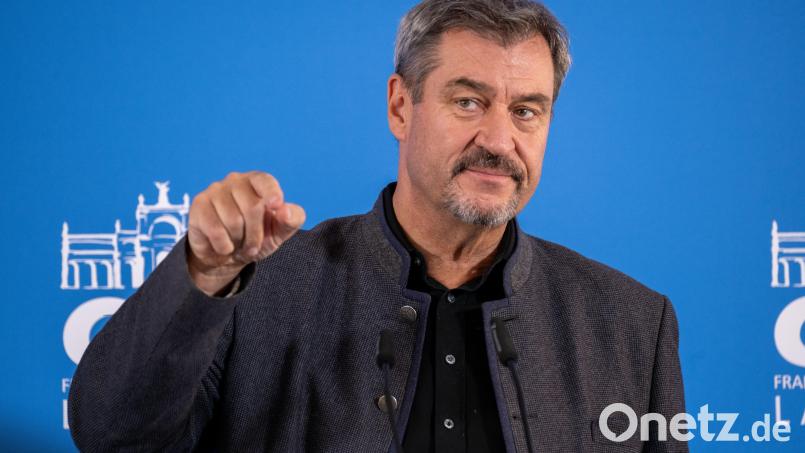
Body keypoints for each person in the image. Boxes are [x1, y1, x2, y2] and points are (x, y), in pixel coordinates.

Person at [69, 0, 687, 452]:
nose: (500, 140)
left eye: (527, 111)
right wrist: (204, 276)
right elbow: (110, 436)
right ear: (400, 106)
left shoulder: (632, 322)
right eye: (467, 101)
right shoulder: (257, 287)